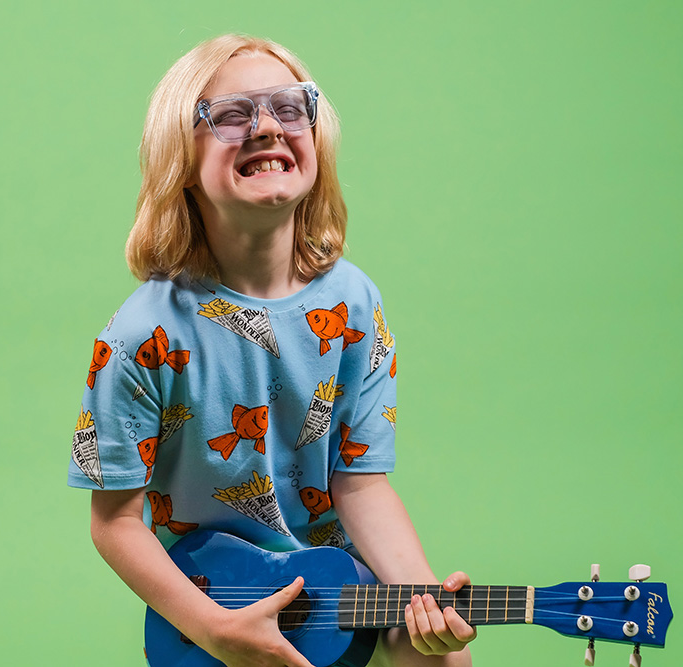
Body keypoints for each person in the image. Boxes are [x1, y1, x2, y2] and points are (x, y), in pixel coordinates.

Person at [68, 34, 475, 667]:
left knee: (443, 658)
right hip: (217, 601)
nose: (266, 126)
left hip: (339, 588)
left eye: (290, 108)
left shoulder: (354, 305)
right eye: (231, 114)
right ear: (179, 160)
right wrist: (213, 629)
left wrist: (423, 597)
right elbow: (114, 521)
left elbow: (360, 482)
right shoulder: (140, 335)